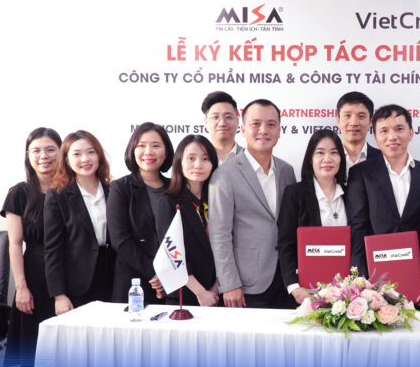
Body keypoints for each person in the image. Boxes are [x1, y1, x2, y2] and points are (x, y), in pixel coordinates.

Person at [346, 104, 420, 297]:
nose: (392, 137)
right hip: (373, 281)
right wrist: (361, 280)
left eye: (399, 129)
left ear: (411, 133)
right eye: (384, 131)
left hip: (418, 281)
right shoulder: (361, 174)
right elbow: (358, 227)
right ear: (375, 136)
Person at [209, 99, 296, 309]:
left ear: (279, 130)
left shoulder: (287, 171)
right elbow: (219, 234)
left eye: (271, 124)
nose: (263, 130)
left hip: (287, 279)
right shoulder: (224, 174)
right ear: (243, 129)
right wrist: (229, 283)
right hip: (246, 283)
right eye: (256, 124)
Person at [1, 127, 61, 367]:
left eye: (50, 150)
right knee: (33, 354)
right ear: (28, 155)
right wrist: (21, 288)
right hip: (35, 275)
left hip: (70, 274)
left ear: (62, 152)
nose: (43, 156)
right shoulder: (19, 193)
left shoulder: (71, 191)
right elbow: (15, 244)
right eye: (36, 151)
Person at [44, 131, 116, 314]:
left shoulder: (114, 190)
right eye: (77, 154)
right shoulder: (57, 196)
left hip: (114, 279)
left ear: (99, 155)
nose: (85, 159)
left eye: (91, 152)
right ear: (66, 160)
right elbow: (53, 249)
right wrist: (59, 295)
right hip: (78, 283)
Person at [107, 122, 175, 304]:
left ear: (166, 152)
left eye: (156, 145)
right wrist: (154, 273)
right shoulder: (120, 188)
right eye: (142, 145)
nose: (148, 152)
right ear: (132, 150)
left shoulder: (175, 188)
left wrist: (168, 274)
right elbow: (120, 240)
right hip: (134, 282)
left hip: (173, 281)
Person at [278, 129, 348, 304]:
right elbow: (286, 243)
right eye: (320, 153)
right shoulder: (295, 193)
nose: (327, 159)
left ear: (341, 158)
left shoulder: (351, 193)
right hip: (306, 291)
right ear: (310, 158)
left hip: (346, 292)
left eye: (334, 153)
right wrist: (294, 287)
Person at [164, 135, 220, 306]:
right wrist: (200, 292)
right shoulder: (167, 201)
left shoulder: (218, 199)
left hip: (218, 293)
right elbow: (171, 251)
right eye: (191, 158)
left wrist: (215, 289)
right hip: (184, 295)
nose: (198, 165)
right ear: (179, 162)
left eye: (205, 159)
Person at [335, 91, 381, 177]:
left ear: (370, 122)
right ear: (338, 121)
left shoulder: (383, 159)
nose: (353, 123)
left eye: (361, 116)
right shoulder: (326, 160)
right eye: (347, 115)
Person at [202, 90, 243, 165]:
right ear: (206, 122)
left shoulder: (251, 159)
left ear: (237, 121)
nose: (222, 123)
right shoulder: (197, 160)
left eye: (228, 117)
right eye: (215, 117)